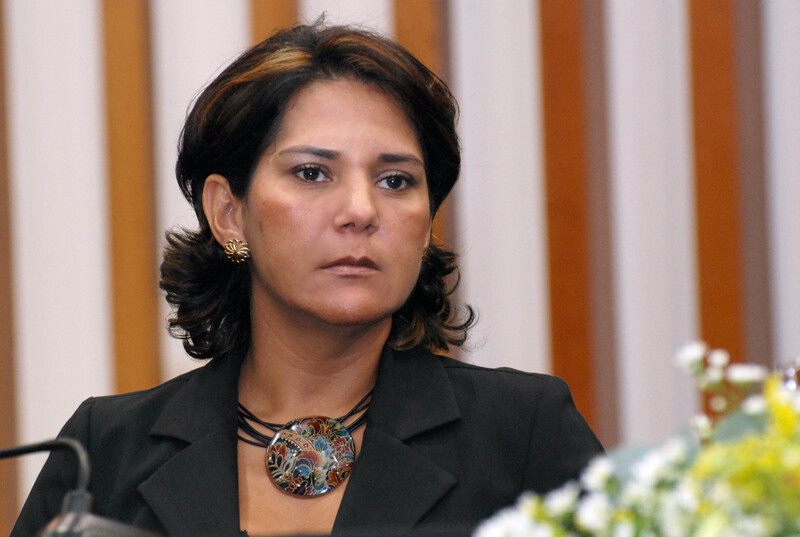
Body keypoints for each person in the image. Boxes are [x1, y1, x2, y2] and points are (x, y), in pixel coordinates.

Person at [12, 22, 602, 537]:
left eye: (395, 181)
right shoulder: (105, 450)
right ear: (229, 213)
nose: (361, 211)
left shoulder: (522, 433)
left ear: (426, 225)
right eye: (313, 173)